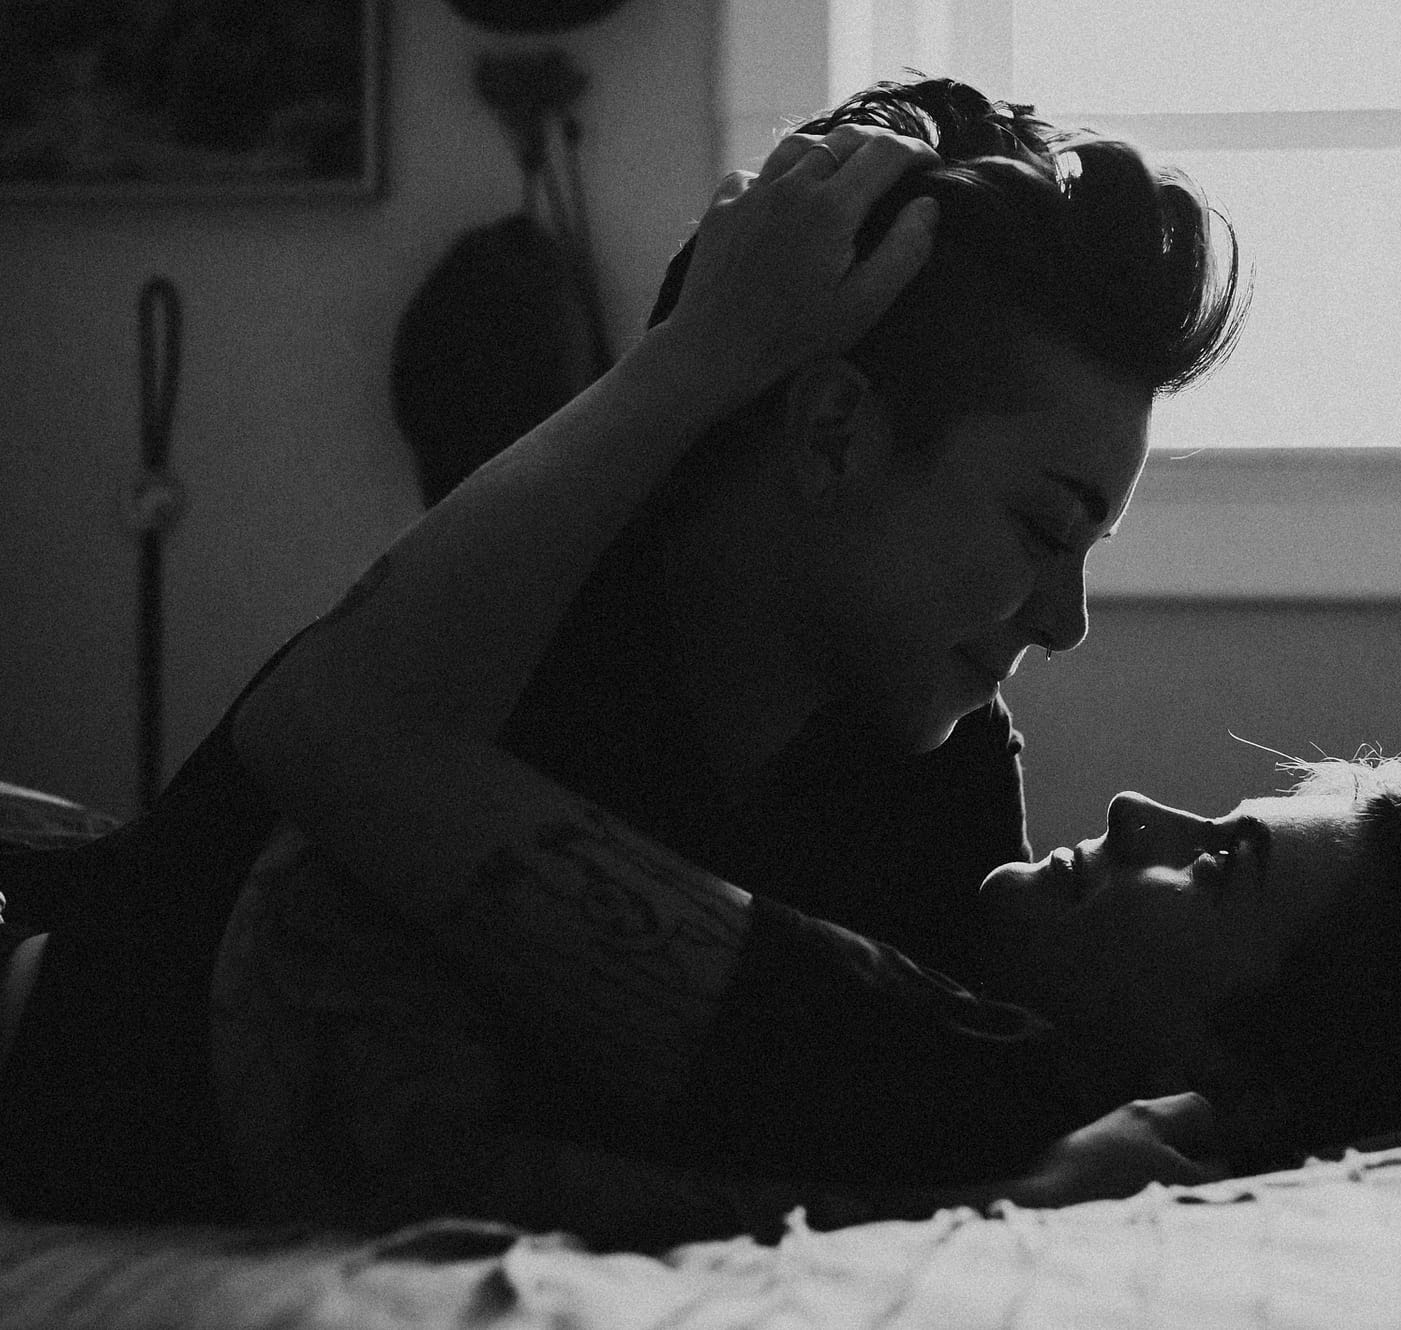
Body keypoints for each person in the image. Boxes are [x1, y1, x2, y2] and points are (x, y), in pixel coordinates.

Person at [0, 77, 1242, 1224]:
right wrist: (699, 351)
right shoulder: (510, 637)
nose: (1066, 619)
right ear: (833, 433)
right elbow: (323, 759)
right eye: (1045, 527)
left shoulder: (943, 768)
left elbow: (913, 1098)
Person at [210, 753, 1401, 1248]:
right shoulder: (943, 897)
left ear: (1243, 1084)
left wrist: (1013, 1201)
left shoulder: (944, 1070)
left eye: (1217, 863)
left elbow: (429, 1162)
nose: (1137, 809)